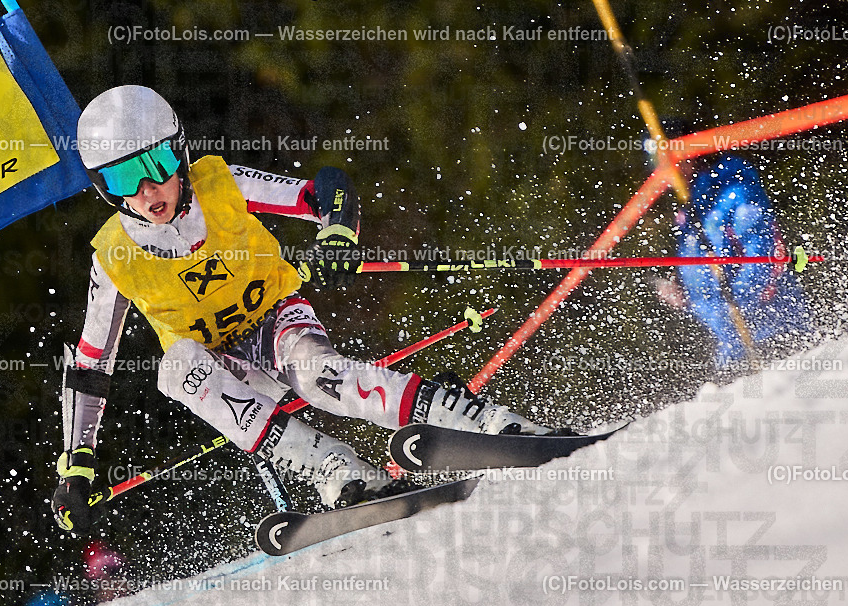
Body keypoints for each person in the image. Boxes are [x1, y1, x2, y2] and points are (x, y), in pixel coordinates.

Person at [52, 85, 549, 533]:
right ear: (104, 187)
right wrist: (77, 463)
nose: (147, 190)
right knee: (176, 367)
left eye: (156, 166)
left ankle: (487, 422)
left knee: (317, 376)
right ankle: (338, 471)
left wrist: (337, 235)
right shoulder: (113, 257)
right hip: (225, 370)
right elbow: (91, 365)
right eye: (123, 178)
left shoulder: (219, 184)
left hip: (276, 323)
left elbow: (325, 191)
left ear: (178, 154)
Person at [649, 128, 812, 368]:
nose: (662, 173)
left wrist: (737, 307)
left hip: (774, 334)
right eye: (655, 165)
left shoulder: (731, 188)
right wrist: (684, 296)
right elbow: (704, 288)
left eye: (666, 162)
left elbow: (762, 255)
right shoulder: (688, 212)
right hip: (733, 348)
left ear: (689, 154)